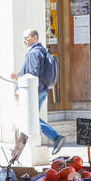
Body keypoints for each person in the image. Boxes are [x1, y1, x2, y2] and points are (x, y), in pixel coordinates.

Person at [12, 28, 64, 156]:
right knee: (32, 119)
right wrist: (19, 75)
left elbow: (33, 73)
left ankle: (56, 137)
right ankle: (54, 138)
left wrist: (20, 88)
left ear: (35, 38)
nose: (24, 40)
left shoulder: (33, 53)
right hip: (41, 89)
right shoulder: (40, 51)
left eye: (27, 38)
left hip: (35, 90)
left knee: (32, 119)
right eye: (23, 38)